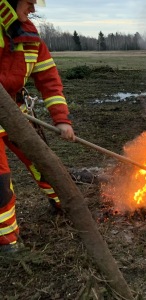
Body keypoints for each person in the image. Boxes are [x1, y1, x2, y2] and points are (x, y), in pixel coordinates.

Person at [0, 0, 75, 252]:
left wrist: (62, 119)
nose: (33, 8)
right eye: (29, 2)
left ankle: (62, 203)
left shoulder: (31, 38)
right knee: (0, 179)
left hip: (16, 113)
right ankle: (7, 241)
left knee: (43, 160)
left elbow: (49, 81)